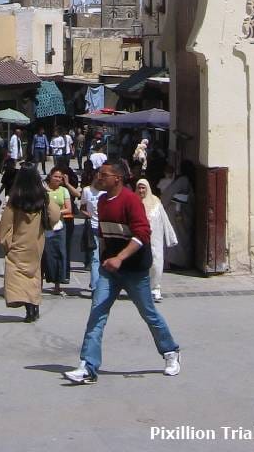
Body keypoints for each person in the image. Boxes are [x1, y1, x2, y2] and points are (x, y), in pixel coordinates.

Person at [64, 160, 181, 384]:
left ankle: (171, 352)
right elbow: (104, 235)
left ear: (117, 178)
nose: (99, 177)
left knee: (148, 313)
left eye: (104, 174)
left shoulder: (131, 201)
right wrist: (104, 259)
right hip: (110, 270)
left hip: (134, 270)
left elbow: (142, 234)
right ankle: (88, 366)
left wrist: (120, 258)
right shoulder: (102, 201)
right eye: (100, 174)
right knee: (97, 313)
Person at [0, 166, 61, 322]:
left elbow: (6, 223)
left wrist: (5, 241)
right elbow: (55, 215)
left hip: (19, 242)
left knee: (19, 273)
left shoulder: (15, 199)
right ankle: (34, 306)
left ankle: (28, 307)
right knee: (34, 274)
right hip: (36, 242)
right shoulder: (43, 198)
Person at [136, 178, 178, 301]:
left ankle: (155, 288)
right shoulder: (133, 202)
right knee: (141, 264)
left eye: (143, 187)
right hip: (138, 239)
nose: (141, 190)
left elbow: (165, 220)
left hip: (155, 239)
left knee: (156, 263)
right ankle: (141, 290)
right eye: (139, 187)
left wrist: (171, 237)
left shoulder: (156, 202)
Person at [161, 159, 196, 269]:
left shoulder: (183, 180)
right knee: (181, 239)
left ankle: (179, 262)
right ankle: (180, 261)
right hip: (180, 215)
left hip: (179, 215)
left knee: (180, 239)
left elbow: (169, 195)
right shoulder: (185, 180)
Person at [42, 168, 71, 295]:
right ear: (50, 176)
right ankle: (39, 284)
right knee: (44, 255)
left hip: (59, 226)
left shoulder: (64, 191)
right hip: (45, 227)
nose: (58, 179)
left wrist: (56, 213)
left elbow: (68, 208)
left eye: (60, 177)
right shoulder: (43, 191)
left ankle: (57, 285)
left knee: (59, 254)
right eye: (55, 176)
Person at [79, 163, 104, 292]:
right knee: (95, 258)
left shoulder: (106, 192)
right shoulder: (87, 191)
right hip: (93, 227)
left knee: (105, 257)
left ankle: (103, 284)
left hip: (106, 229)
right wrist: (86, 214)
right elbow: (82, 207)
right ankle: (95, 287)